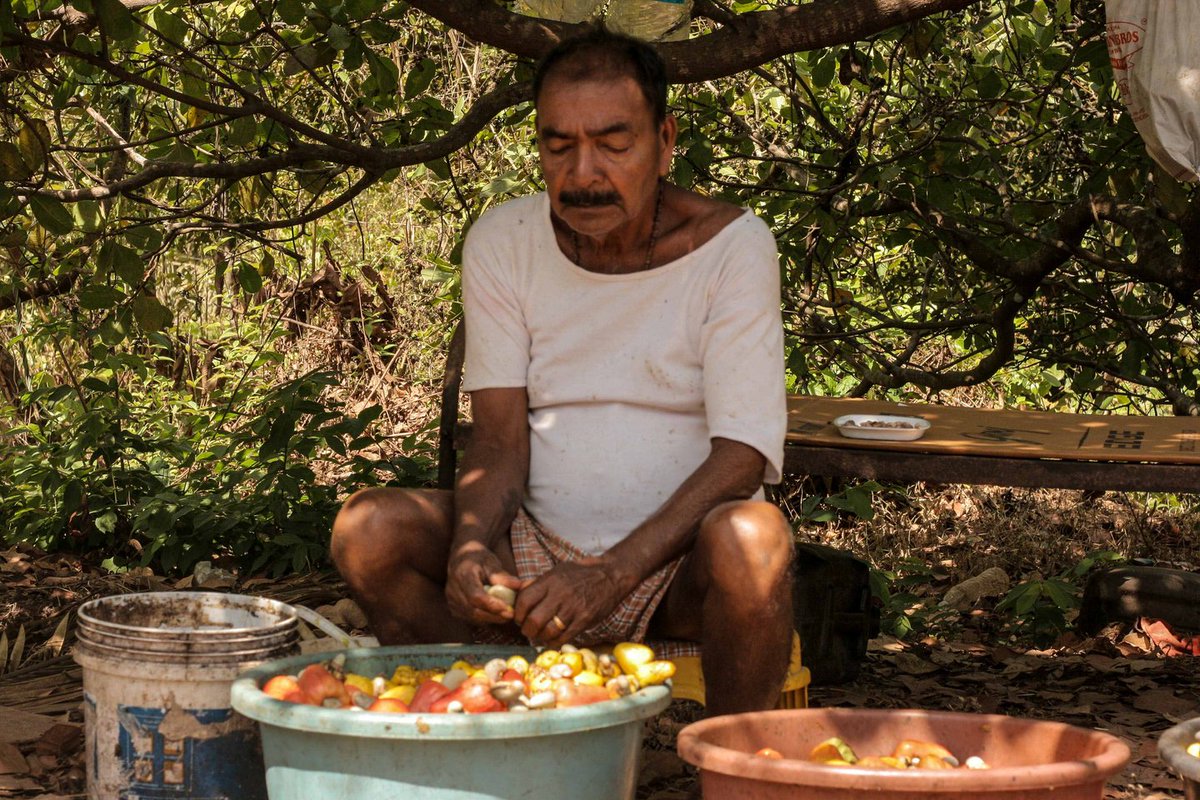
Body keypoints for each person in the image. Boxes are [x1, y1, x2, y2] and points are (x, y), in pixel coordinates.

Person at [331, 27, 793, 716]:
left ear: (665, 142)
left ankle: (737, 772)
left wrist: (611, 574)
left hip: (675, 568)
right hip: (531, 556)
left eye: (614, 144)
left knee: (755, 541)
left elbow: (742, 457)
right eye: (558, 146)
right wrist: (468, 548)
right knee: (366, 531)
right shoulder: (504, 241)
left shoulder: (732, 247)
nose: (583, 175)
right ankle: (502, 726)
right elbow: (496, 442)